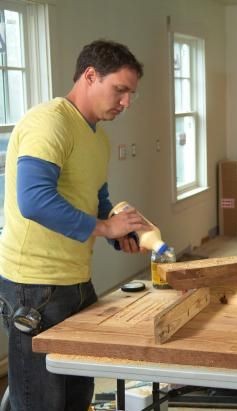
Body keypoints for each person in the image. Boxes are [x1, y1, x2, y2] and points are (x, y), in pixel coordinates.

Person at [0, 40, 151, 410]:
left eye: (131, 93)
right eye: (120, 90)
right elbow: (34, 200)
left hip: (75, 282)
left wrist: (119, 232)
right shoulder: (49, 121)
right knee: (40, 401)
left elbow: (96, 199)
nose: (126, 102)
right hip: (33, 287)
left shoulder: (98, 137)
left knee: (77, 395)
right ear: (89, 76)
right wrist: (103, 228)